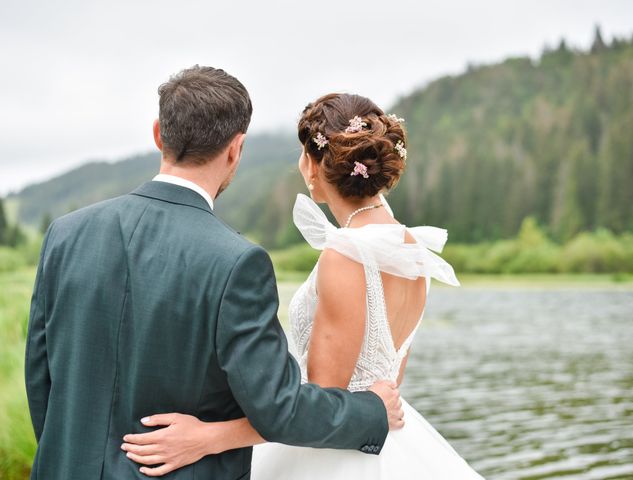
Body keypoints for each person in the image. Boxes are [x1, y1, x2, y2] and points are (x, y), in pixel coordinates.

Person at [24, 68, 404, 480]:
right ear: (236, 149)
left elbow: (40, 377)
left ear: (158, 134)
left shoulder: (64, 234)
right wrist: (371, 410)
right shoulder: (237, 263)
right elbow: (278, 407)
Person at [121, 93, 485, 478]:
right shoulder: (413, 248)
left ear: (313, 165)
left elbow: (321, 408)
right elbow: (389, 383)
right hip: (392, 443)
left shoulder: (346, 254)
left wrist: (207, 438)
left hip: (334, 456)